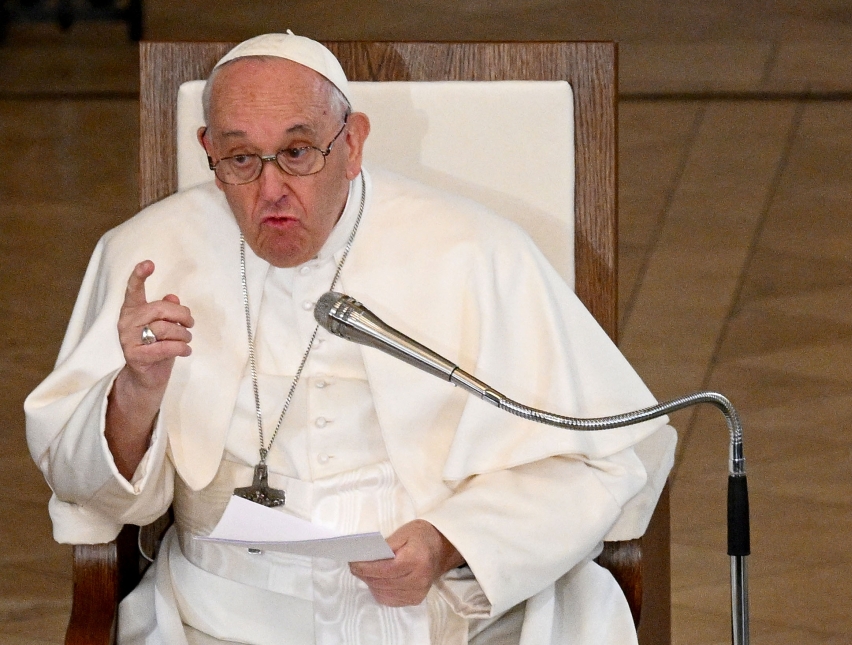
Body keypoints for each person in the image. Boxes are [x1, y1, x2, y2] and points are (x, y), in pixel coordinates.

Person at [25, 33, 676, 645]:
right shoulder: (148, 254)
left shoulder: (474, 252)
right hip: (219, 613)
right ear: (209, 152)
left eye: (298, 152)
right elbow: (82, 483)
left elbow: (600, 458)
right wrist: (135, 392)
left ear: (354, 143)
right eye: (241, 159)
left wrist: (448, 541)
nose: (271, 190)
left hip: (443, 610)